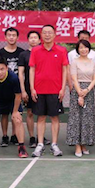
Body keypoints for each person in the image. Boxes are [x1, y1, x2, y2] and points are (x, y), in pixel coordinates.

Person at [30, 25, 68, 157]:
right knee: (40, 117)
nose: (47, 35)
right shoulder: (35, 50)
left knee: (54, 117)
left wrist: (63, 88)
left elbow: (64, 70)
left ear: (54, 34)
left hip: (55, 90)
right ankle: (40, 144)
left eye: (50, 33)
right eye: (45, 33)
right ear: (41, 35)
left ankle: (54, 144)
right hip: (39, 90)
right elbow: (32, 69)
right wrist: (32, 88)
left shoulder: (61, 50)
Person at [66, 40, 95, 157]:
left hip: (89, 92)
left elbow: (94, 79)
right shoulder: (74, 62)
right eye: (81, 48)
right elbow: (74, 78)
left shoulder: (93, 62)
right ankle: (77, 146)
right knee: (76, 118)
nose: (83, 50)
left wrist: (87, 90)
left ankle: (84, 143)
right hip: (77, 90)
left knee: (87, 118)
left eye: (85, 47)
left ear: (89, 49)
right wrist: (80, 93)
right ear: (77, 50)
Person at [0, 27, 24, 147]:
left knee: (15, 112)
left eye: (14, 35)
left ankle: (14, 135)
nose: (11, 37)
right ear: (5, 37)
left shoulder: (21, 52)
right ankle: (4, 136)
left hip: (16, 88)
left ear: (17, 37)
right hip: (2, 87)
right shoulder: (0, 52)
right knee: (4, 114)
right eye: (9, 35)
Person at [18, 30, 44, 148]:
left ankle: (40, 136)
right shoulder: (23, 55)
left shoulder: (43, 53)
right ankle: (32, 137)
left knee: (41, 113)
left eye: (35, 38)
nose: (33, 40)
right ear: (28, 40)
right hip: (29, 87)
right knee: (29, 112)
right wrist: (23, 90)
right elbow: (21, 73)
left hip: (42, 87)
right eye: (31, 38)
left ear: (39, 40)